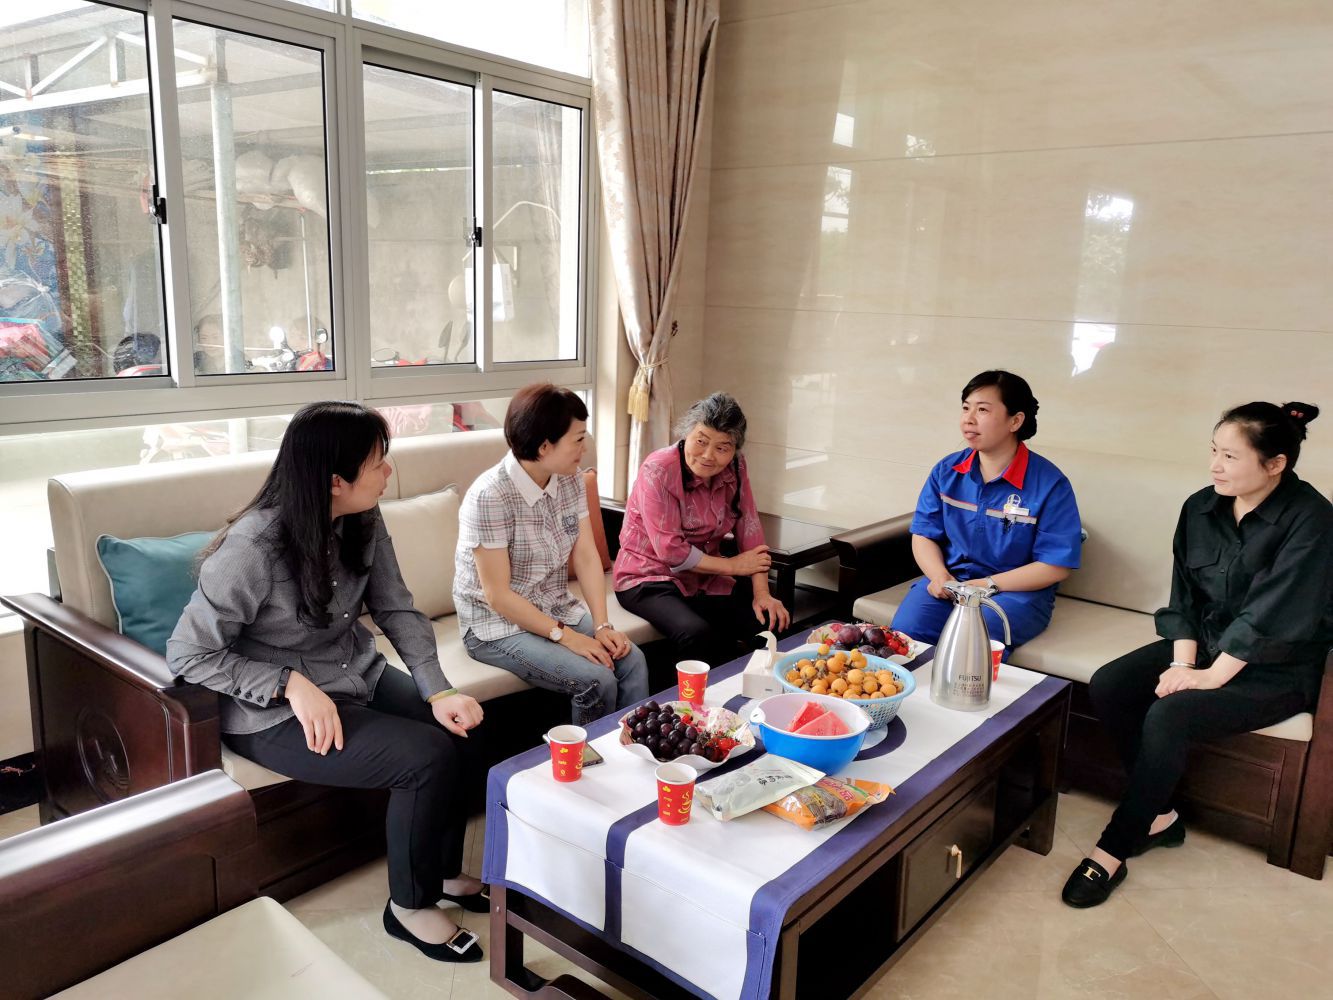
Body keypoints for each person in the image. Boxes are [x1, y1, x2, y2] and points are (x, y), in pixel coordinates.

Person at [167, 401, 486, 963]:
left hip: (351, 674)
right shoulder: (253, 548)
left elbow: (397, 608)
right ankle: (409, 907)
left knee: (460, 727)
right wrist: (287, 682)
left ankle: (440, 871)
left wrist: (439, 690)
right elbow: (188, 653)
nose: (388, 471)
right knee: (425, 756)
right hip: (270, 713)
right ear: (335, 480)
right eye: (378, 462)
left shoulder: (363, 518)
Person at [1063, 401, 1332, 908]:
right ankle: (1160, 816)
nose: (1214, 466)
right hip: (1207, 644)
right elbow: (1183, 597)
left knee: (1171, 713)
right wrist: (1183, 663)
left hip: (1279, 667)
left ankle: (1114, 847)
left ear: (1275, 464)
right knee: (1111, 684)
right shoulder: (1201, 507)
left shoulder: (1313, 520)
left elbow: (1272, 615)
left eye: (1230, 456)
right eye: (1213, 451)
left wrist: (1209, 678)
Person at [455, 383, 649, 726]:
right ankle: (586, 759)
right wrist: (568, 638)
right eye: (578, 439)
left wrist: (602, 625)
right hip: (495, 625)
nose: (584, 448)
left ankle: (632, 750)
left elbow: (586, 555)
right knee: (596, 679)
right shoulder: (490, 496)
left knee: (632, 659)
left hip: (553, 606)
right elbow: (498, 596)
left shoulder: (569, 480)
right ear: (545, 446)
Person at [891, 370, 1082, 650]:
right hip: (952, 582)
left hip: (1015, 593)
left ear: (1015, 420)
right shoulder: (946, 471)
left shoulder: (1050, 484)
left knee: (973, 641)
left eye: (982, 410)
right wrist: (939, 576)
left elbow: (1056, 565)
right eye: (965, 408)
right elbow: (924, 534)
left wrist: (986, 584)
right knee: (905, 637)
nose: (968, 419)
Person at [615, 392, 790, 666]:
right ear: (687, 433)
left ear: (735, 449)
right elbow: (670, 551)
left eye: (722, 447)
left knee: (771, 622)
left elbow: (750, 527)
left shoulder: (736, 466)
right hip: (648, 578)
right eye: (701, 441)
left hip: (703, 579)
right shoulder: (659, 469)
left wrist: (762, 594)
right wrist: (732, 566)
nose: (708, 455)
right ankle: (700, 694)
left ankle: (756, 689)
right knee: (696, 634)